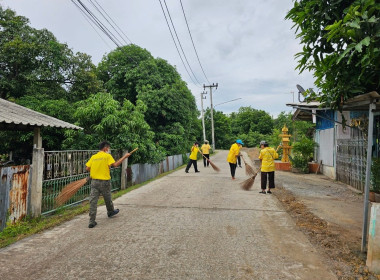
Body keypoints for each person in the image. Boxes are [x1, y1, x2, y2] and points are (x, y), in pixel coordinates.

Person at [86, 141, 132, 228]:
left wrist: (97, 170)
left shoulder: (93, 157)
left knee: (93, 201)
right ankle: (110, 212)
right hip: (104, 182)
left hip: (94, 182)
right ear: (105, 148)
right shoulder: (107, 156)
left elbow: (87, 168)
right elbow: (115, 165)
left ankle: (91, 221)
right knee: (107, 198)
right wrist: (125, 157)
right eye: (108, 148)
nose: (108, 150)